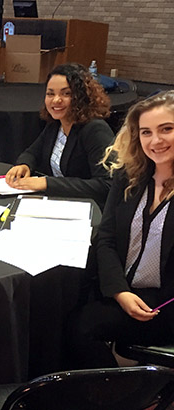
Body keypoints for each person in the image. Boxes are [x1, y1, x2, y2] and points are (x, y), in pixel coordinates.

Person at [69, 91, 174, 368]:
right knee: (56, 308)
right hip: (121, 287)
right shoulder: (129, 175)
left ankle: (125, 394)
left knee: (80, 329)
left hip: (166, 300)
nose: (156, 141)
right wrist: (119, 291)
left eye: (167, 129)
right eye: (146, 132)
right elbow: (106, 238)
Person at [5, 63, 114, 209]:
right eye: (50, 93)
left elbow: (106, 185)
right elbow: (33, 152)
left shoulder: (95, 130)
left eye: (66, 93)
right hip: (61, 203)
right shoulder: (56, 124)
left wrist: (46, 183)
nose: (56, 100)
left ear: (81, 97)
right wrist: (24, 165)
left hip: (89, 210)